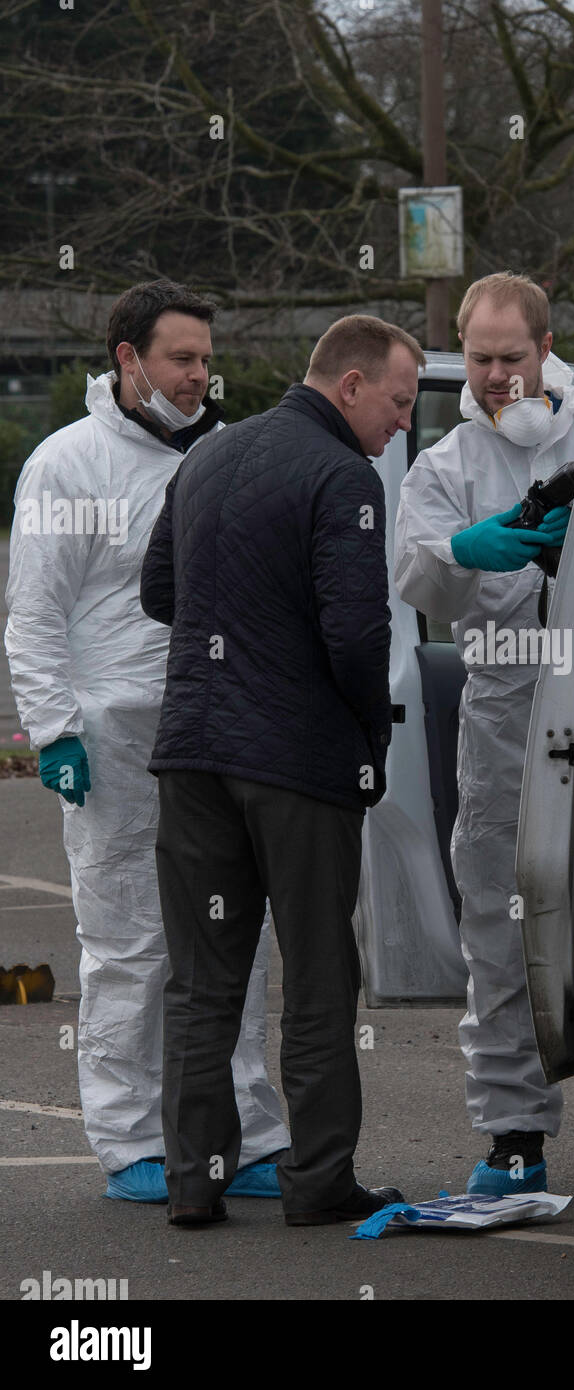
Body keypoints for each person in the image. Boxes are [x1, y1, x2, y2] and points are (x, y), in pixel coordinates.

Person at [4, 280, 290, 1202]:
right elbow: (34, 616)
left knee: (231, 933)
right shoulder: (68, 464)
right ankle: (129, 1138)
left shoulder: (223, 453)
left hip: (219, 722)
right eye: (182, 359)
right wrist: (54, 729)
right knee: (127, 938)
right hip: (114, 734)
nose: (202, 375)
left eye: (208, 359)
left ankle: (244, 1136)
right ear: (129, 360)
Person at [141, 314, 422, 1226]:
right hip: (296, 765)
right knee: (317, 974)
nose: (403, 425)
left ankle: (192, 1182)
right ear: (348, 386)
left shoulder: (207, 459)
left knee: (202, 980)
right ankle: (320, 1181)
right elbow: (356, 634)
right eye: (397, 400)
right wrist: (370, 741)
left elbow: (159, 593)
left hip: (192, 756)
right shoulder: (344, 476)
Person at [395, 272, 574, 1196]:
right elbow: (413, 574)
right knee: (496, 915)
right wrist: (464, 550)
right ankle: (513, 1135)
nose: (496, 377)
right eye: (481, 360)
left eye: (512, 357)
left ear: (546, 347)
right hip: (500, 703)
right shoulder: (446, 465)